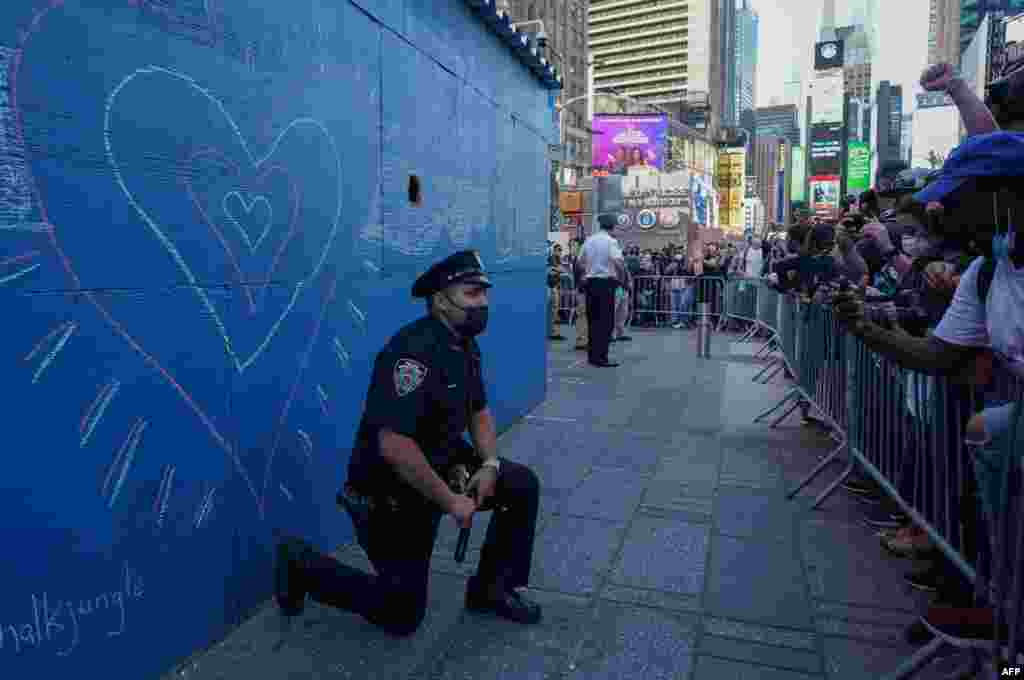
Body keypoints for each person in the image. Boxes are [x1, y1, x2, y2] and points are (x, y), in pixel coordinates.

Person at [274, 250, 543, 637]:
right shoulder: (411, 354)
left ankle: (492, 588)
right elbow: (395, 446)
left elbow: (478, 410)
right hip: (390, 493)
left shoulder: (464, 345)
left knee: (519, 485)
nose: (482, 303)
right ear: (439, 300)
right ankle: (300, 564)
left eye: (484, 294)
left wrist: (489, 465)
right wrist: (452, 502)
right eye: (471, 294)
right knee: (401, 613)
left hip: (440, 465)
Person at [578, 214, 627, 367]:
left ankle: (592, 357)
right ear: (612, 226)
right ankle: (601, 358)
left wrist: (587, 274)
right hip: (606, 284)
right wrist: (623, 279)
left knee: (593, 321)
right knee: (605, 322)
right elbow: (618, 262)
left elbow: (580, 262)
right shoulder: (611, 241)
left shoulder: (589, 240)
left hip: (591, 284)